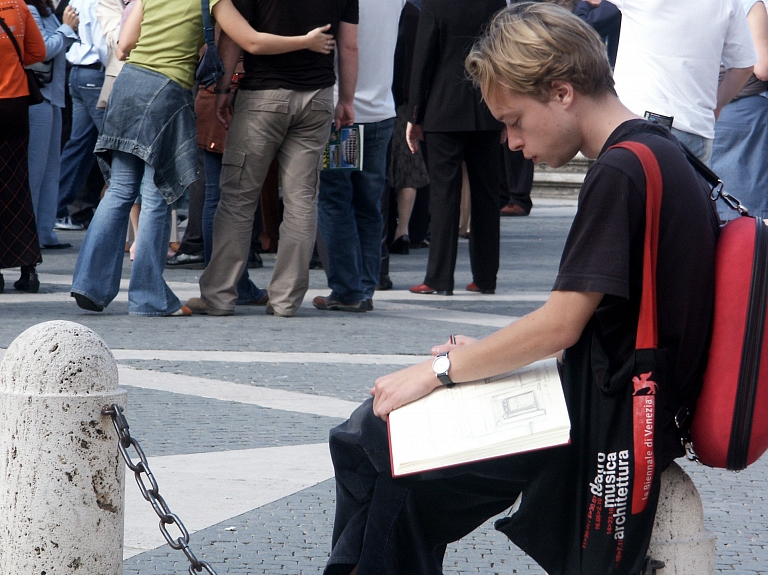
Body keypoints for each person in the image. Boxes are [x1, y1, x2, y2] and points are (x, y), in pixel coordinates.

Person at [323, 4, 720, 574]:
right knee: (384, 444)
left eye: (513, 120)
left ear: (561, 93)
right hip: (621, 398)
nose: (508, 141)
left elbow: (562, 322)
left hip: (602, 418)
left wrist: (437, 372)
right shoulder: (661, 149)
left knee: (380, 440)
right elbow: (604, 316)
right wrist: (488, 358)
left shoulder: (619, 171)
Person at [70, 0, 335, 316]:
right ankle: (148, 297)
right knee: (157, 195)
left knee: (119, 190)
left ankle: (89, 285)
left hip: (130, 83)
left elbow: (125, 45)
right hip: (168, 90)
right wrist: (306, 42)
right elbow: (249, 40)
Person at [186, 0, 359, 318]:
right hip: (318, 96)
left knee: (238, 197)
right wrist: (346, 99)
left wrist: (223, 91)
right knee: (302, 200)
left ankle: (219, 295)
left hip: (262, 97)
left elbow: (233, 39)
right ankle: (286, 300)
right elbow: (348, 46)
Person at [406, 0, 505, 297]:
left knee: (443, 196)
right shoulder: (496, 4)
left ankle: (439, 277)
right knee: (487, 196)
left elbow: (423, 58)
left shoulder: (436, 4)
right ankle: (486, 277)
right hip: (487, 108)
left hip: (443, 108)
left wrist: (415, 114)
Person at [313, 0, 405, 313]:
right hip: (381, 110)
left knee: (335, 201)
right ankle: (365, 285)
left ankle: (347, 289)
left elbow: (348, 46)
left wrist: (346, 100)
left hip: (343, 112)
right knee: (369, 205)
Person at [610, 0, 756, 165]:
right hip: (696, 129)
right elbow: (743, 66)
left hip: (640, 125)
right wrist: (717, 105)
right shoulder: (728, 2)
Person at [0, 0, 46, 294]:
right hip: (15, 103)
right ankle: (28, 269)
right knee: (17, 183)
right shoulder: (17, 5)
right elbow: (37, 53)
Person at [26, 0, 79, 250]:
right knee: (35, 171)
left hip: (52, 95)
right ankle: (30, 234)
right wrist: (67, 29)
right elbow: (42, 50)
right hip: (37, 95)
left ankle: (43, 232)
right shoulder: (29, 9)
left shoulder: (42, 10)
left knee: (50, 169)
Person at [711, 0, 768, 220]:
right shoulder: (749, 3)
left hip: (702, 110)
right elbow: (762, 67)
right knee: (747, 217)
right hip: (744, 115)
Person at [53, 0, 107, 231]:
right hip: (95, 73)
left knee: (79, 146)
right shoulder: (101, 1)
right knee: (116, 146)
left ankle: (54, 208)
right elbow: (104, 44)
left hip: (77, 72)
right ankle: (122, 215)